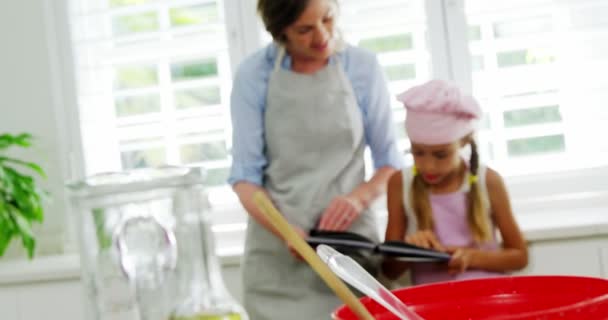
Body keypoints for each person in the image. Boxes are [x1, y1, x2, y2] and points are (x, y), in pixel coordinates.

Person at [228, 0, 403, 318]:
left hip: (348, 256)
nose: (322, 35)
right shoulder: (254, 75)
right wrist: (287, 232)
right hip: (278, 261)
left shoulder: (362, 67)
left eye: (328, 18)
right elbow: (244, 178)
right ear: (281, 32)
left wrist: (358, 199)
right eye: (304, 30)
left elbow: (391, 164)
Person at [382, 79, 528, 286]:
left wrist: (471, 257)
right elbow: (389, 271)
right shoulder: (399, 183)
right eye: (418, 152)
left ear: (464, 142)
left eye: (441, 155)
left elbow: (519, 257)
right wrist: (408, 250)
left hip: (486, 296)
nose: (429, 166)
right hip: (431, 305)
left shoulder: (489, 181)